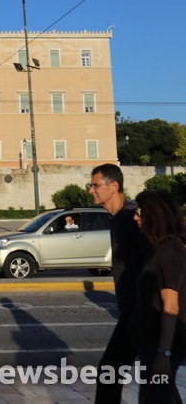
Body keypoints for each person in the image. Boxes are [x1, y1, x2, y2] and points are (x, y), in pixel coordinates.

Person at [89, 163, 152, 403]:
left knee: (109, 372)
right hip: (135, 309)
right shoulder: (120, 218)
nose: (91, 190)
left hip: (140, 310)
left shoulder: (129, 216)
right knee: (154, 379)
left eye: (96, 185)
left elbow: (154, 256)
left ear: (113, 186)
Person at [132, 190, 185, 403]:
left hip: (159, 348)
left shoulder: (167, 252)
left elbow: (171, 306)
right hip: (153, 345)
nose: (136, 217)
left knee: (154, 398)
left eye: (140, 212)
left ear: (154, 216)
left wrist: (163, 354)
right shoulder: (163, 249)